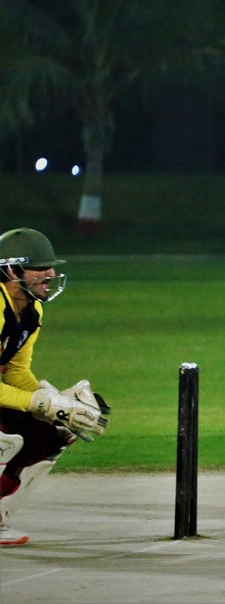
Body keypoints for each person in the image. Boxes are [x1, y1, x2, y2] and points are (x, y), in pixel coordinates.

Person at [1, 228, 109, 546]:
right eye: (39, 267)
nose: (49, 274)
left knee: (52, 432)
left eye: (50, 267)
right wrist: (43, 403)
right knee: (6, 440)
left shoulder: (31, 310)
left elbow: (16, 372)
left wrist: (56, 404)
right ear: (12, 270)